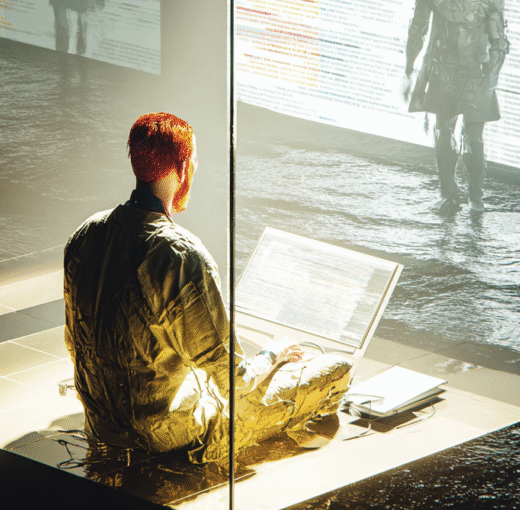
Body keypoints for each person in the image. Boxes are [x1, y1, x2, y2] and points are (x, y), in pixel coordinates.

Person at [64, 112, 351, 468]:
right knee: (336, 369)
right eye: (194, 161)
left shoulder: (86, 234)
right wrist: (272, 354)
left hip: (102, 421)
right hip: (163, 432)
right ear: (183, 168)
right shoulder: (179, 256)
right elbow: (236, 381)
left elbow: (77, 341)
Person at [403, 0, 509, 212]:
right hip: (443, 73)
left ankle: (476, 199)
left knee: (474, 142)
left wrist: (490, 81)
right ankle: (449, 194)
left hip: (476, 75)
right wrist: (408, 70)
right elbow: (418, 30)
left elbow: (499, 44)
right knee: (444, 137)